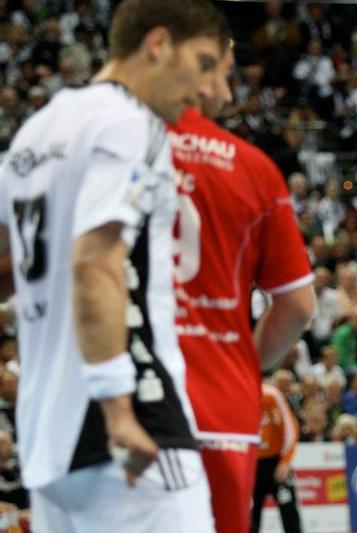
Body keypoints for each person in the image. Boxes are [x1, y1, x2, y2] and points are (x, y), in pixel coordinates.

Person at [0, 1, 229, 531]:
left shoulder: (37, 130)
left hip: (49, 448)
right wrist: (117, 410)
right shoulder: (132, 126)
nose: (206, 90)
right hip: (128, 429)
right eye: (202, 64)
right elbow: (95, 261)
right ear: (158, 45)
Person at [168, 40, 316, 533]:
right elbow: (298, 305)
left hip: (126, 390)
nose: (230, 94)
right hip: (221, 397)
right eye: (226, 75)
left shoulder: (104, 142)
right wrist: (245, 366)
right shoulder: (253, 168)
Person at [250, 380, 302, 533]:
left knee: (288, 509)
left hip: (275, 461)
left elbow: (291, 428)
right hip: (251, 465)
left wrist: (285, 461)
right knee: (251, 515)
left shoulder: (271, 394)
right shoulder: (236, 395)